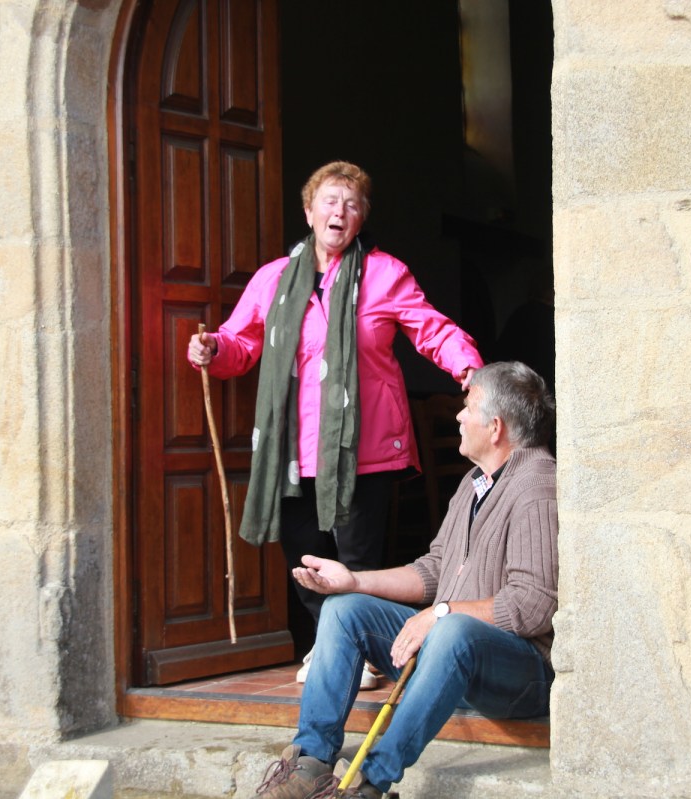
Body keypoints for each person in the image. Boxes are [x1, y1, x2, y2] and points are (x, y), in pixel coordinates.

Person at [188, 161, 484, 686]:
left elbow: (432, 329)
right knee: (306, 556)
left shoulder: (385, 274)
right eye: (329, 201)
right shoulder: (273, 280)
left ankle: (361, 652)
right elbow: (241, 344)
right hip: (292, 451)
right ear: (309, 212)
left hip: (364, 448)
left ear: (361, 218)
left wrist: (469, 368)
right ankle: (329, 644)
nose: (339, 212)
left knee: (357, 557)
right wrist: (212, 348)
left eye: (351, 204)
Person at [249, 361, 557, 799]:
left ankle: (370, 782)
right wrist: (354, 582)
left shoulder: (537, 486)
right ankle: (311, 761)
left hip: (518, 676)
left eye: (468, 407)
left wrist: (442, 614)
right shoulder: (474, 483)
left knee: (453, 630)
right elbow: (433, 570)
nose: (458, 415)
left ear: (495, 428)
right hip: (449, 659)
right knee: (343, 610)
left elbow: (533, 605)